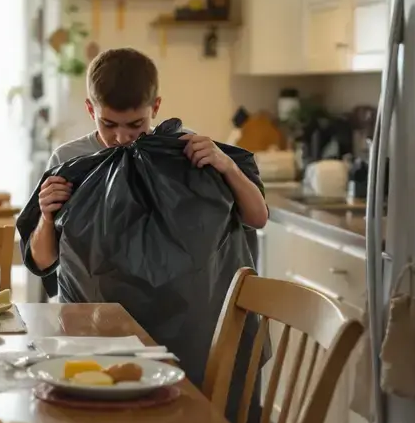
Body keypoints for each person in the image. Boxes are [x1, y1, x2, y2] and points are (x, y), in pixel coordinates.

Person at [26, 47, 269, 284]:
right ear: (91, 109)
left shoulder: (184, 150)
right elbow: (44, 262)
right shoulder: (69, 160)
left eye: (135, 124)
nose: (122, 137)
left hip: (171, 312)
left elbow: (257, 219)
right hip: (90, 313)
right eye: (108, 124)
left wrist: (227, 166)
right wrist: (47, 217)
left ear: (156, 107)